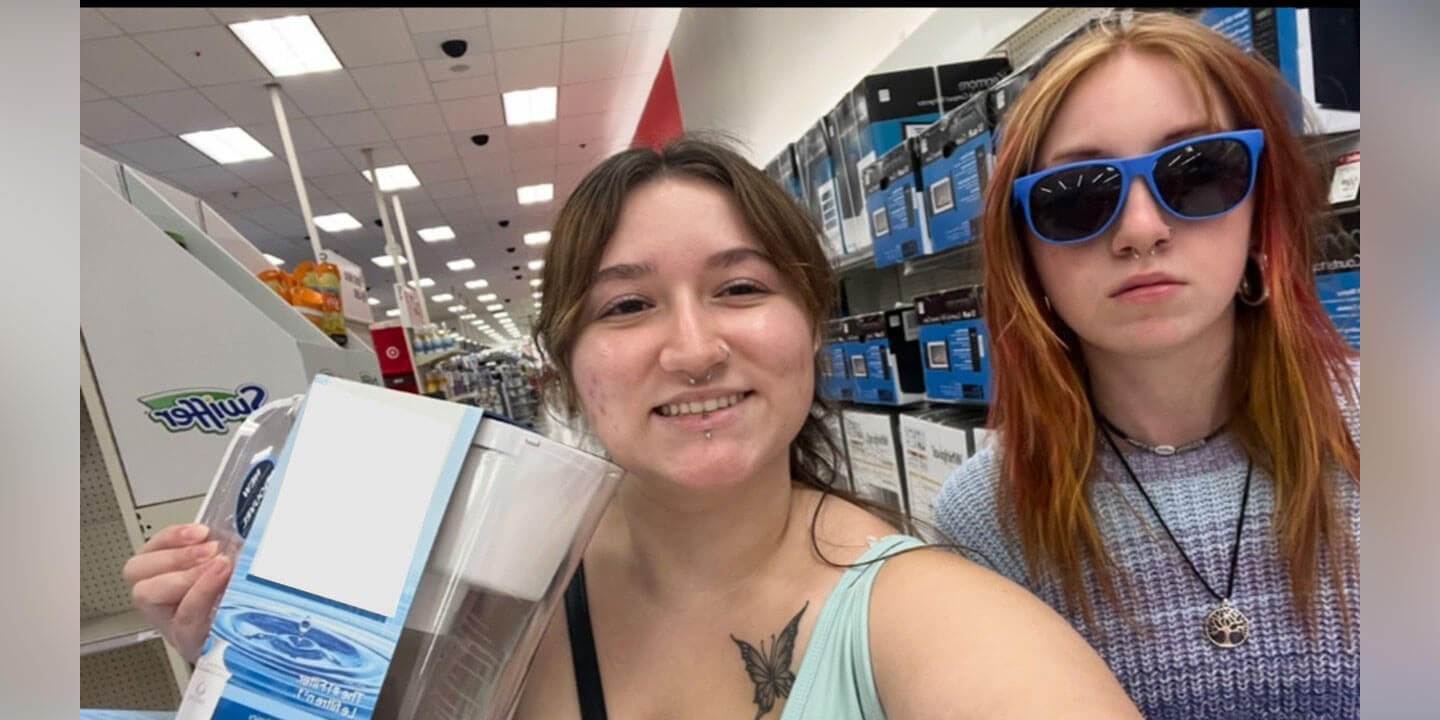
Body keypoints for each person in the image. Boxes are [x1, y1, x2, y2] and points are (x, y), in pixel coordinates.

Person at [125, 136, 1141, 717]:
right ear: (564, 364)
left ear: (810, 326)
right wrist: (263, 660)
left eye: (739, 287)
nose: (693, 347)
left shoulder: (929, 622)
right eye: (627, 306)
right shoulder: (485, 597)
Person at [933, 12, 1360, 720]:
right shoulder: (985, 519)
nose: (1141, 229)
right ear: (1025, 252)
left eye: (1199, 174)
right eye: (1077, 198)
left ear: (1262, 207)